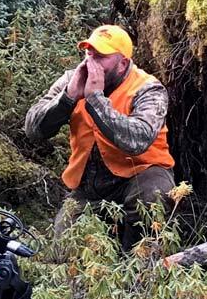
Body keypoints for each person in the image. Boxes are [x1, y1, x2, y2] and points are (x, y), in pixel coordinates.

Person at [25, 24, 175, 249]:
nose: (90, 63)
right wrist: (67, 99)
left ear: (123, 63)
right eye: (89, 54)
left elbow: (138, 140)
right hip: (89, 186)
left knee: (152, 198)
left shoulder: (148, 88)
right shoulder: (72, 79)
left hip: (139, 174)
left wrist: (95, 99)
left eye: (101, 57)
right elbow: (33, 130)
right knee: (62, 249)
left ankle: (140, 269)